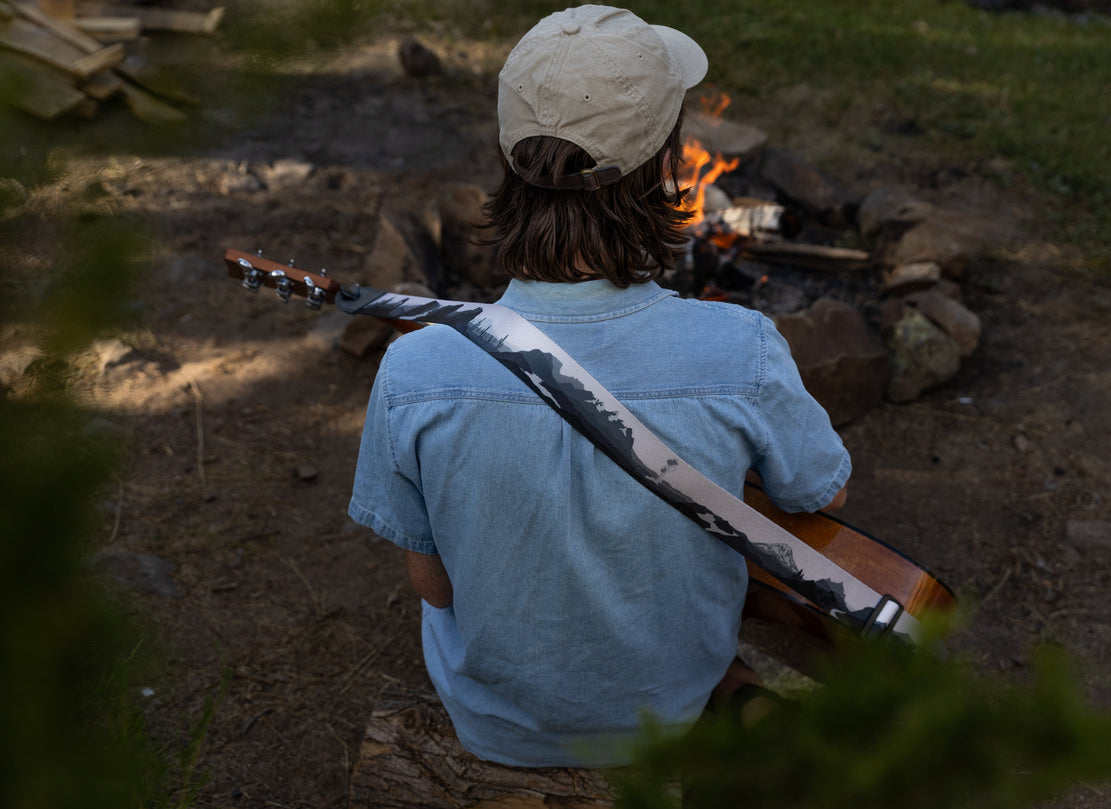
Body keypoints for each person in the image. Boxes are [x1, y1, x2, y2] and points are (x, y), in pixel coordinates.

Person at [348, 4, 850, 769]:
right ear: (667, 167)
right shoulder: (741, 347)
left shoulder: (417, 367)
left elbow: (437, 587)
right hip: (669, 709)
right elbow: (822, 494)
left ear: (508, 158)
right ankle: (737, 693)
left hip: (498, 725)